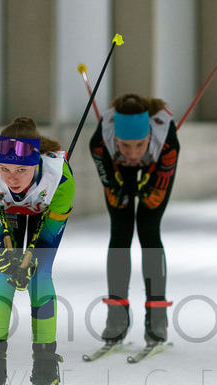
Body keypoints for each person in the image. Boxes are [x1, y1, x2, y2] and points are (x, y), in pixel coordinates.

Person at [0, 117, 73, 385]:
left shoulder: (60, 179)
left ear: (37, 163)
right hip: (10, 212)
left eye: (21, 170)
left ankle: (46, 368)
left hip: (45, 209)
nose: (12, 178)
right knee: (3, 273)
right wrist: (8, 256)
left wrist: (30, 260)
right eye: (5, 168)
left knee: (39, 275)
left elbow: (46, 239)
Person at [89, 93, 179, 346]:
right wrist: (118, 188)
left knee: (149, 230)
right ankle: (116, 317)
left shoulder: (167, 140)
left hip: (157, 164)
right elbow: (108, 177)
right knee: (120, 232)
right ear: (115, 137)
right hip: (117, 169)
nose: (132, 153)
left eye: (139, 145)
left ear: (149, 136)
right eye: (125, 145)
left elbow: (159, 186)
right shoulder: (100, 142)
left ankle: (157, 319)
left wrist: (149, 188)